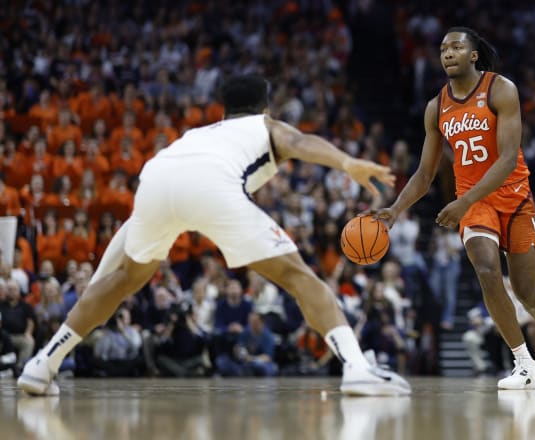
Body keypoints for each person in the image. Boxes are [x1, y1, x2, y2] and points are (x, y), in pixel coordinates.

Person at [18, 75, 410, 396]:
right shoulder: (265, 126)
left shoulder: (200, 134)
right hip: (210, 186)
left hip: (156, 176)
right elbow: (300, 142)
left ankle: (43, 364)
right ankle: (357, 368)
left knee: (124, 280)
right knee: (298, 277)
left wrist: (109, 272)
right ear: (266, 108)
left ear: (224, 109)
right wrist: (346, 162)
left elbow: (165, 190)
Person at [367, 27, 535, 389]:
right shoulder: (436, 107)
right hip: (476, 202)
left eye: (456, 47)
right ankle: (524, 364)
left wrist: (461, 201)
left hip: (513, 196)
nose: (448, 53)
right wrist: (395, 208)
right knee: (486, 270)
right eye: (443, 48)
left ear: (473, 54)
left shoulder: (501, 89)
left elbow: (509, 158)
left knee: (528, 291)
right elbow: (424, 172)